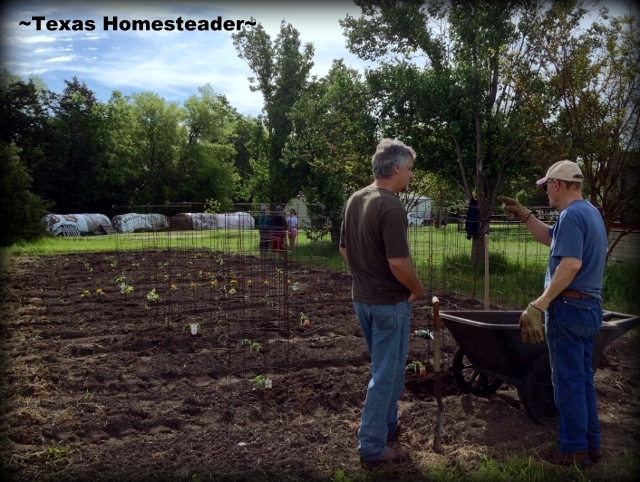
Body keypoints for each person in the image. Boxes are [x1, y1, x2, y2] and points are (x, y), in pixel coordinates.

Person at [498, 160, 607, 466]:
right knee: (582, 379)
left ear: (558, 185)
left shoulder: (571, 216)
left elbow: (570, 264)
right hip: (589, 307)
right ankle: (590, 444)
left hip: (568, 307)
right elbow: (550, 238)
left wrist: (539, 304)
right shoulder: (589, 212)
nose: (546, 191)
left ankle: (572, 449)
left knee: (567, 382)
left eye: (547, 186)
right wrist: (526, 216)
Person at [339, 138, 424, 464]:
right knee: (386, 375)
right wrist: (416, 289)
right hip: (389, 304)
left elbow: (344, 249)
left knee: (386, 369)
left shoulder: (356, 199)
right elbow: (399, 263)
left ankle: (389, 425)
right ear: (397, 168)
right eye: (411, 170)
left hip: (362, 300)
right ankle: (372, 446)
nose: (411, 176)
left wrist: (365, 276)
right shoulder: (389, 205)